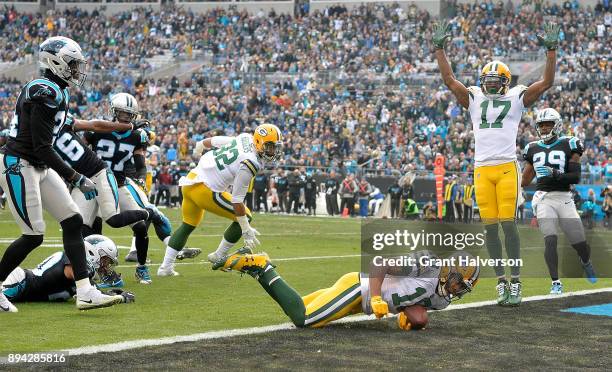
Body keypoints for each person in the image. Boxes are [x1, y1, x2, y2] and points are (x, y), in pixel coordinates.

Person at [432, 21, 560, 306]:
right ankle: (501, 282)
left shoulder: (517, 96)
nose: (490, 86)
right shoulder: (474, 98)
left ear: (505, 82)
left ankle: (516, 282)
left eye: (495, 82)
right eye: (487, 81)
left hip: (505, 169)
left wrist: (551, 52)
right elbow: (450, 80)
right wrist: (439, 49)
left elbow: (547, 82)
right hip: (481, 170)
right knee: (490, 229)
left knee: (509, 226)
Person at [0, 36, 123, 312]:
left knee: (73, 220)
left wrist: (116, 126)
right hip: (19, 164)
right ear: (55, 62)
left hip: (37, 165)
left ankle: (85, 292)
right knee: (33, 235)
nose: (77, 70)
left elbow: (55, 136)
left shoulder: (58, 91)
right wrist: (75, 177)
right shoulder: (44, 91)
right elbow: (43, 147)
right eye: (73, 64)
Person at [215, 250, 478, 329]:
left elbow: (418, 305)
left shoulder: (443, 300)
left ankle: (258, 268)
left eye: (462, 288)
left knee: (298, 306)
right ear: (449, 270)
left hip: (357, 305)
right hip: (359, 289)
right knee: (303, 318)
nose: (457, 290)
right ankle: (262, 266)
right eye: (458, 282)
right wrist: (376, 297)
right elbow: (380, 263)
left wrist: (410, 317)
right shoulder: (426, 266)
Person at [157, 123, 283, 276]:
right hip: (206, 190)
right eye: (269, 146)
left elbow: (214, 141)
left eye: (275, 147)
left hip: (191, 181)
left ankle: (165, 268)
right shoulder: (251, 162)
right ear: (258, 142)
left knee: (187, 225)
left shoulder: (244, 138)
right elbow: (237, 200)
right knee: (246, 216)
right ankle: (219, 255)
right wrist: (245, 228)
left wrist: (199, 145)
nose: (273, 151)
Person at [86, 93, 171, 284]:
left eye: (128, 113)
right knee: (93, 229)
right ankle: (99, 271)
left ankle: (141, 267)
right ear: (114, 111)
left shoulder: (136, 136)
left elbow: (140, 163)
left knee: (140, 227)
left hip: (119, 183)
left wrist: (141, 179)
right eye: (122, 112)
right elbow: (82, 150)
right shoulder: (98, 129)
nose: (125, 116)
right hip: (96, 182)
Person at [522, 108, 597, 294]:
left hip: (564, 198)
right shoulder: (532, 148)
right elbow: (524, 180)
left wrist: (556, 173)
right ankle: (556, 282)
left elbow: (575, 177)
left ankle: (585, 261)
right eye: (542, 125)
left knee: (580, 244)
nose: (545, 128)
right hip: (543, 198)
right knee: (550, 239)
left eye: (548, 124)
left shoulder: (569, 143)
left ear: (557, 125)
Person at [1, 235, 134, 304]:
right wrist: (102, 292)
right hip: (20, 281)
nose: (105, 265)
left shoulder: (82, 276)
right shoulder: (73, 259)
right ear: (94, 253)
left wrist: (111, 295)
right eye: (105, 260)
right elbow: (71, 274)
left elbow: (88, 293)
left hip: (25, 292)